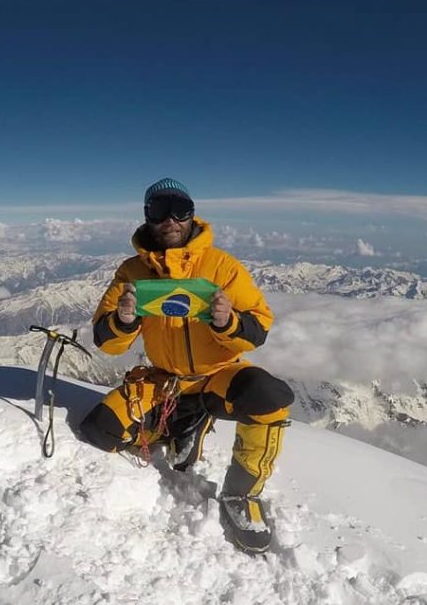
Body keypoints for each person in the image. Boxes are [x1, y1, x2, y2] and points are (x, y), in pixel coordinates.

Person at [77, 177, 293, 553]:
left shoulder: (221, 267)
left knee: (268, 397)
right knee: (101, 431)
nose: (171, 220)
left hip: (217, 376)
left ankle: (241, 495)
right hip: (164, 380)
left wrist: (229, 322)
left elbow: (258, 330)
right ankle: (181, 425)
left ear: (193, 215)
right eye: (160, 211)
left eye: (181, 210)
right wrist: (124, 322)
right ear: (147, 217)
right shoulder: (132, 272)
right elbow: (106, 341)